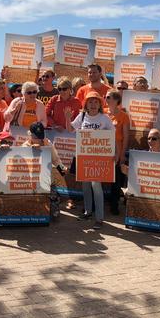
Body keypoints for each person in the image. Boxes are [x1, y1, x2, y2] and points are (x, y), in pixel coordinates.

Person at [68, 91, 115, 229]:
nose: (93, 104)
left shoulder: (104, 118)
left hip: (98, 159)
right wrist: (67, 117)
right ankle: (88, 212)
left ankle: (99, 218)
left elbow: (112, 135)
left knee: (97, 186)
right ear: (86, 104)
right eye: (90, 102)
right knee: (85, 185)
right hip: (83, 157)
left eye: (96, 102)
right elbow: (70, 129)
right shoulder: (82, 116)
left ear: (100, 104)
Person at [22, 122, 67, 218]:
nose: (38, 139)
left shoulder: (48, 143)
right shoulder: (25, 146)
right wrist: (31, 150)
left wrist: (62, 170)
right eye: (35, 137)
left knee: (56, 187)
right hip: (31, 179)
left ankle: (53, 207)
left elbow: (55, 160)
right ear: (30, 135)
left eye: (40, 137)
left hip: (46, 177)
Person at [106, 90, 130, 215]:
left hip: (117, 151)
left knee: (115, 181)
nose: (107, 99)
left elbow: (126, 137)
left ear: (116, 101)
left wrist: (122, 155)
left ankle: (114, 205)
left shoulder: (124, 116)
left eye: (109, 97)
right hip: (102, 151)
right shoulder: (102, 113)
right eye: (106, 97)